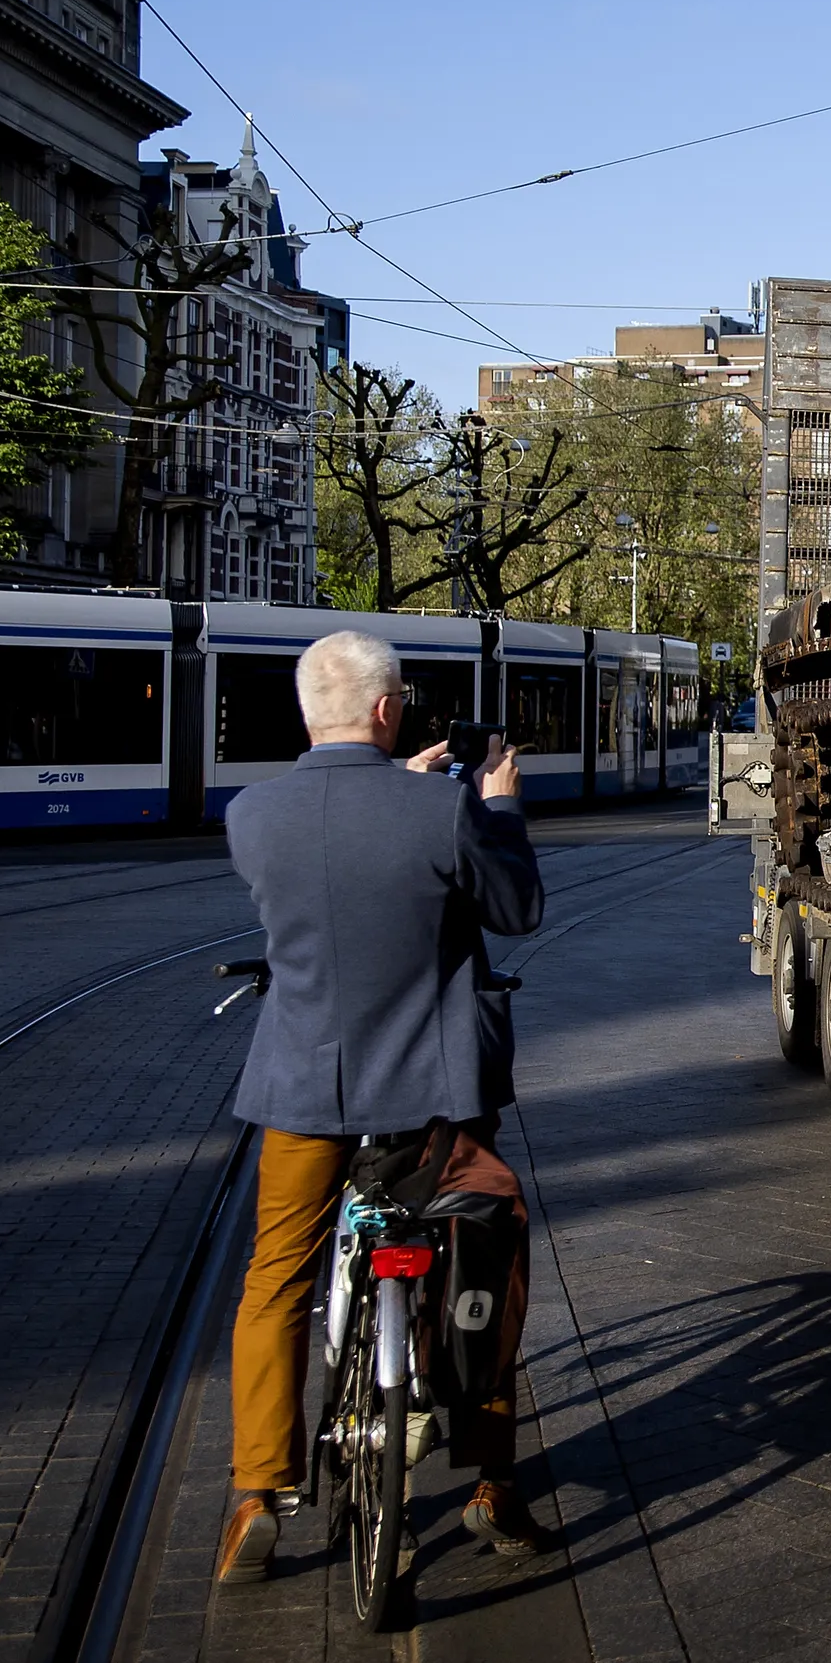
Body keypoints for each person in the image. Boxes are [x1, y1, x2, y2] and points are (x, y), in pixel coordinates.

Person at [216, 630, 549, 1583]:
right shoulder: (440, 809)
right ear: (386, 707)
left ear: (306, 713)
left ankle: (257, 1491)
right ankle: (490, 1479)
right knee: (486, 1248)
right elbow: (516, 909)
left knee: (277, 1275)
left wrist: (396, 794)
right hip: (434, 1096)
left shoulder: (251, 815)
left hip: (302, 1091)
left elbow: (338, 871)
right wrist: (497, 807)